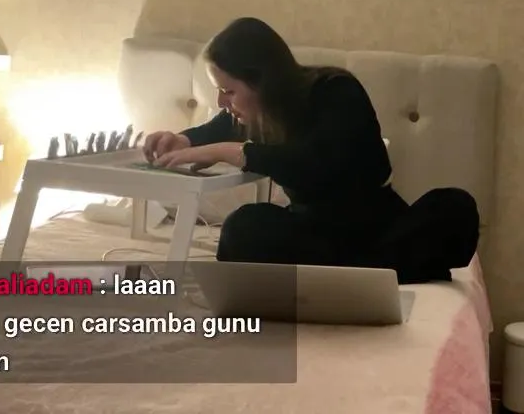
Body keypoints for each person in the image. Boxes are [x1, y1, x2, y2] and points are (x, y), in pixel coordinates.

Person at [143, 17, 479, 283]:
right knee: (242, 227)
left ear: (261, 81)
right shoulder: (258, 112)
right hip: (314, 236)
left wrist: (235, 152)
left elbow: (316, 165)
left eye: (228, 91)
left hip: (376, 228)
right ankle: (369, 275)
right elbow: (215, 129)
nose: (221, 102)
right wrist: (183, 140)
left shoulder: (336, 90)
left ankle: (345, 276)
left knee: (454, 208)